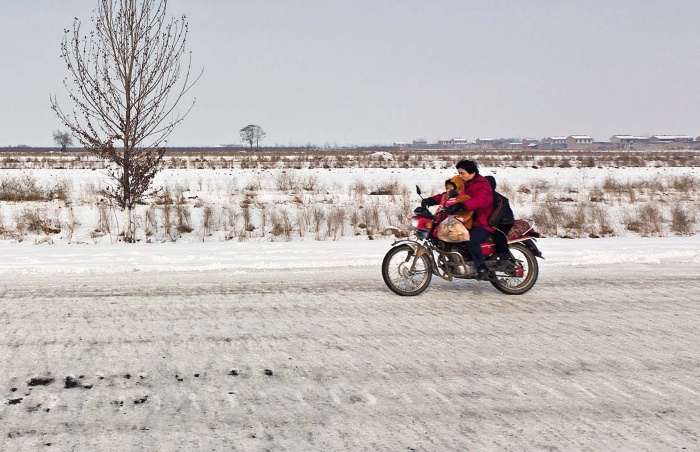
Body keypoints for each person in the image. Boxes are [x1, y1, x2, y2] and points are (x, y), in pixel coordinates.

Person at [423, 160, 494, 279]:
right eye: (459, 173)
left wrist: (462, 205)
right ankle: (454, 260)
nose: (460, 176)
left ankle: (481, 267)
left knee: (472, 240)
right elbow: (450, 194)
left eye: (462, 173)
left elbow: (482, 200)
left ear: (472, 173)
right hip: (463, 219)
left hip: (481, 221)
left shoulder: (483, 185)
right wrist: (431, 200)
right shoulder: (463, 182)